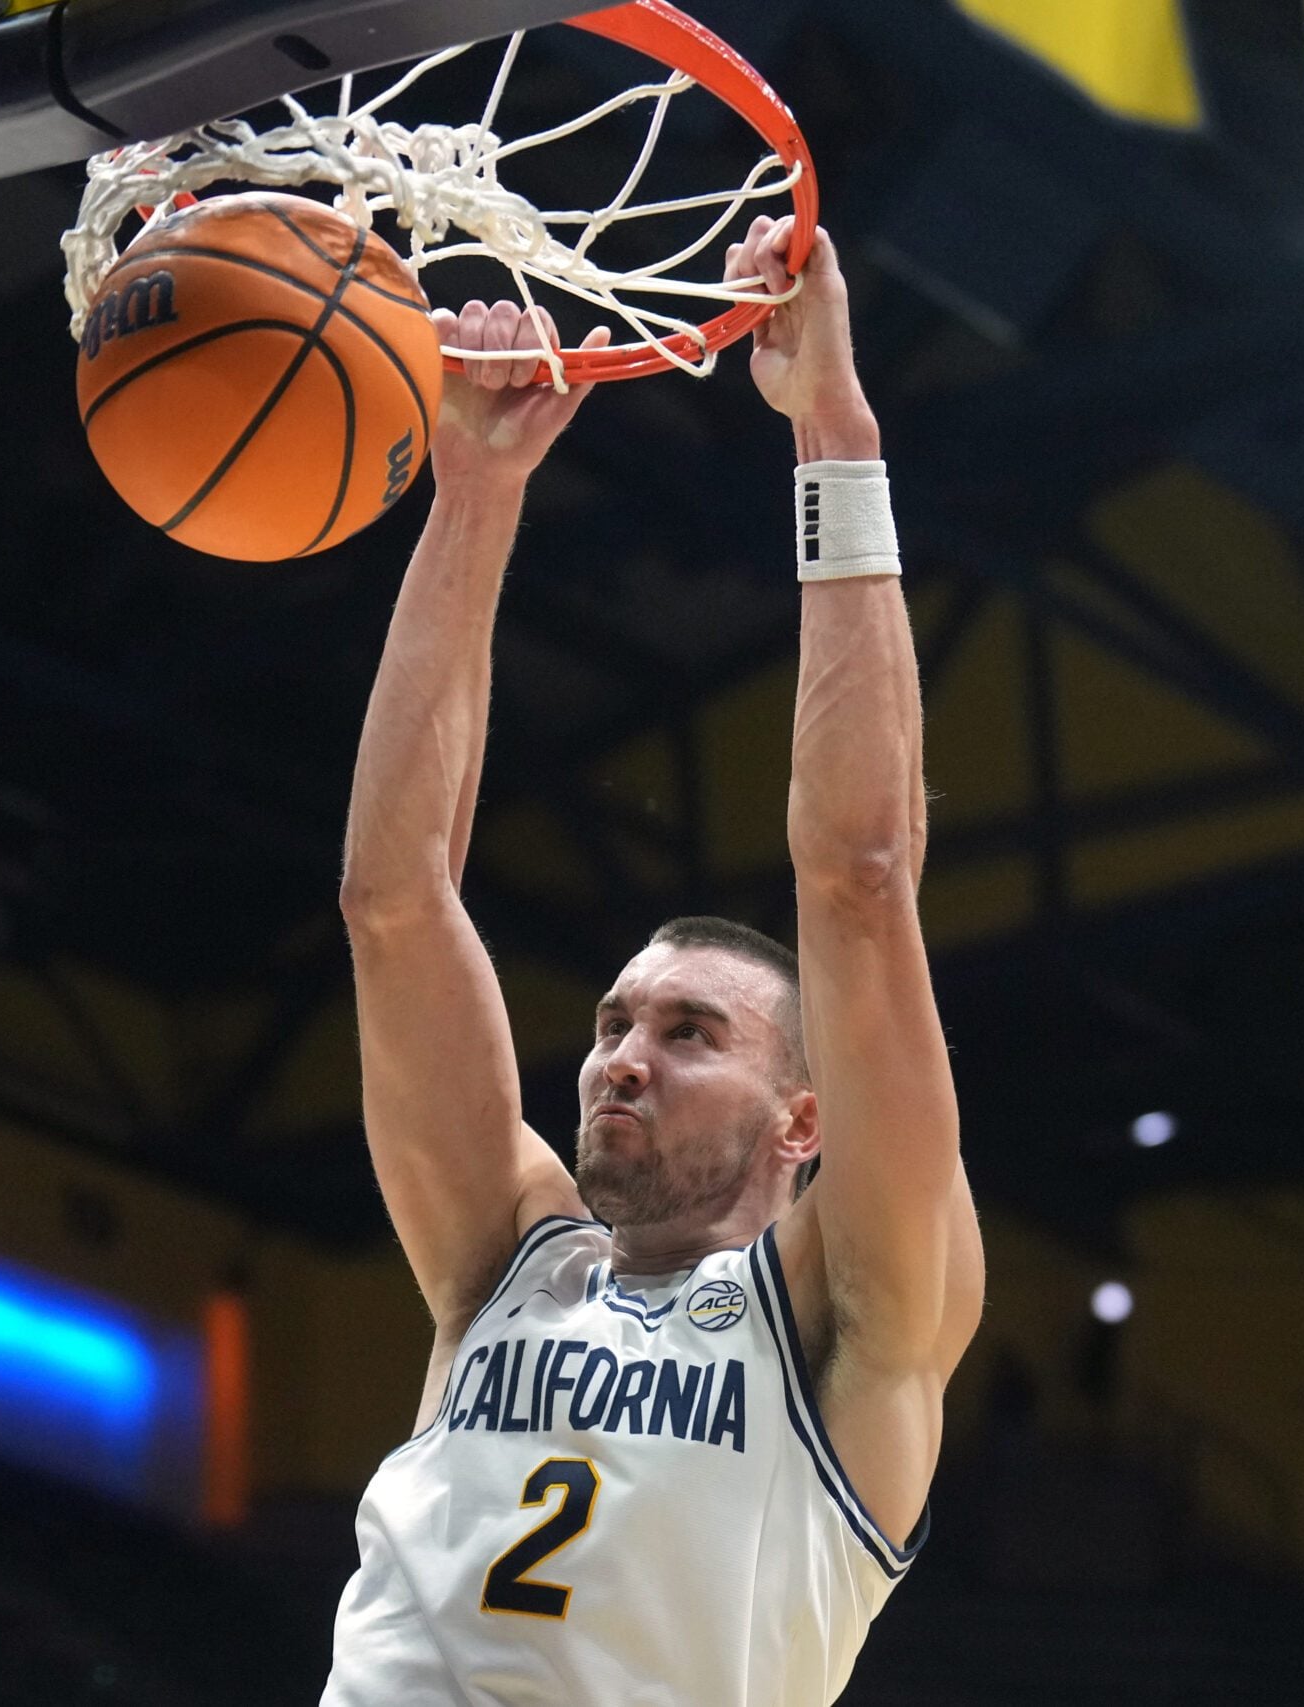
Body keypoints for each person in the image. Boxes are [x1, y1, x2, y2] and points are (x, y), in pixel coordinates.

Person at [321, 215, 985, 1705]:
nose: (623, 1056)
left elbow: (865, 882)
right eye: (619, 1021)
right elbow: (394, 899)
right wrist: (474, 495)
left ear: (801, 1119)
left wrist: (832, 424)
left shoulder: (848, 1315)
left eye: (693, 1033)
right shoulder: (508, 1253)